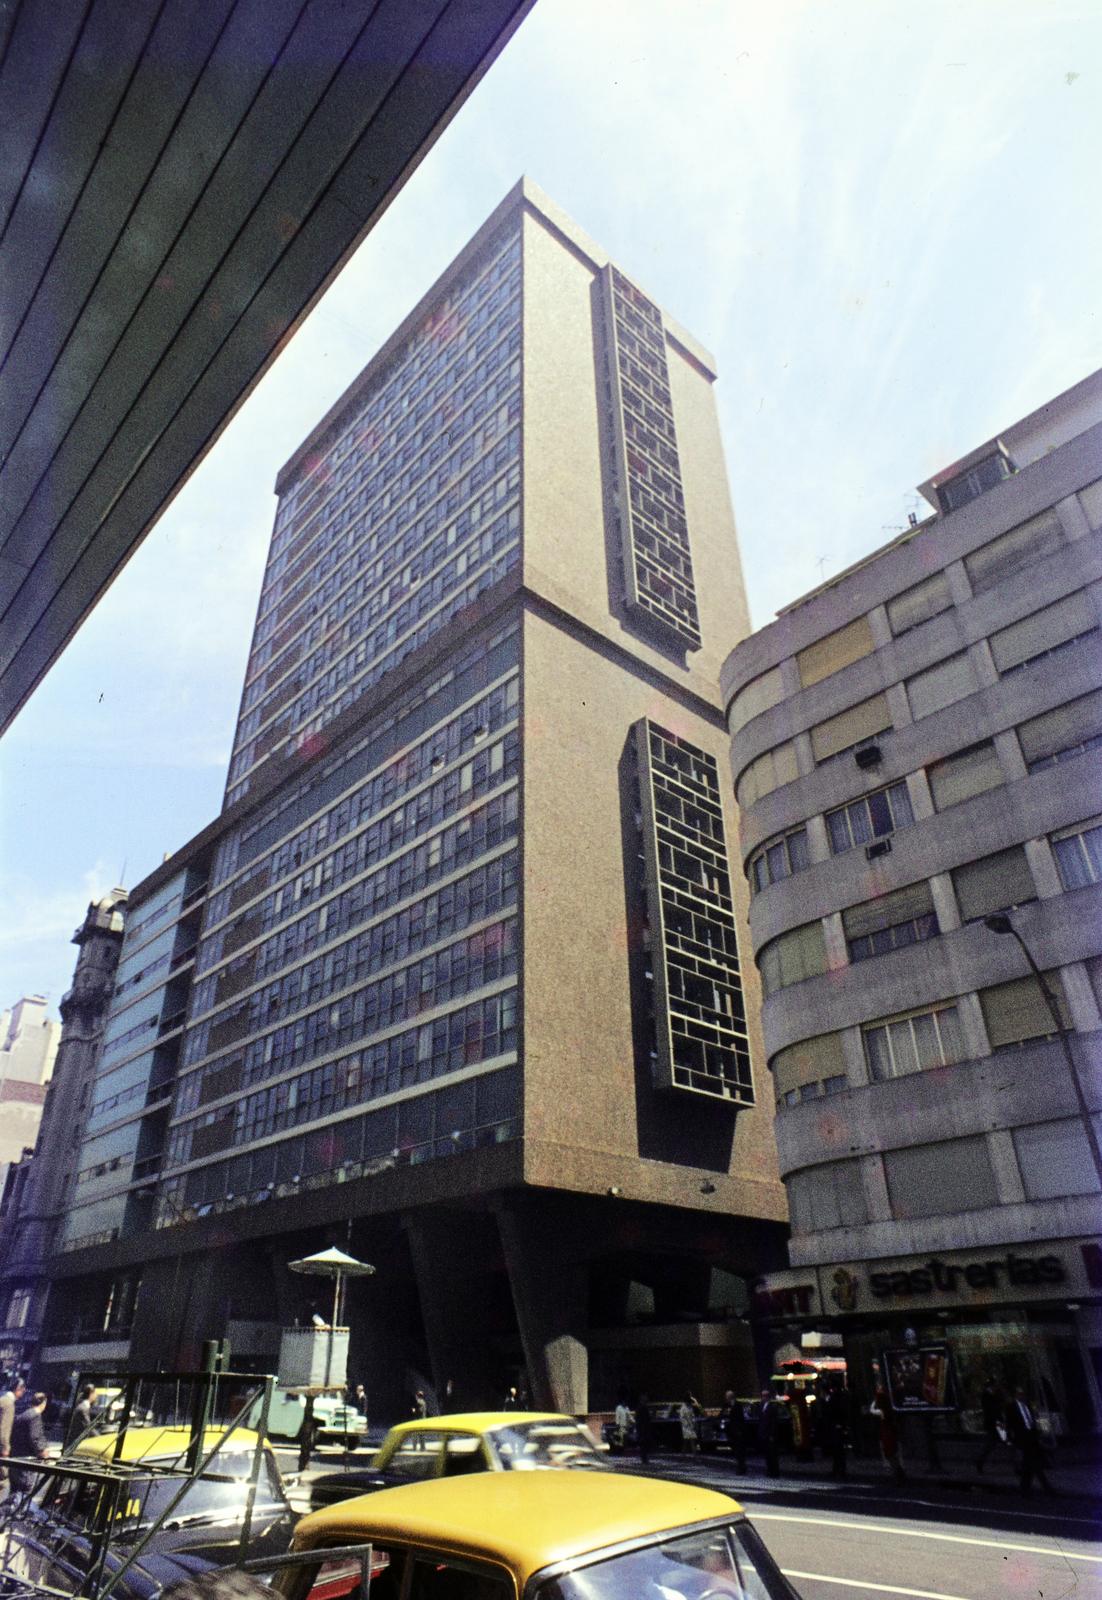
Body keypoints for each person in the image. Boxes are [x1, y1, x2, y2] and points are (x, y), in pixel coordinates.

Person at [1004, 1387, 1052, 1494]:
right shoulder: (1011, 1407)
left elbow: (1034, 1419)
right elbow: (1009, 1423)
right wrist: (1009, 1438)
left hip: (1031, 1437)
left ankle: (1025, 1489)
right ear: (1016, 1395)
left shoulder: (1029, 1406)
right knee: (1034, 1463)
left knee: (1028, 1465)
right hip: (1022, 1438)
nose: (1022, 1396)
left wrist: (1041, 1431)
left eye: (1023, 1394)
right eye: (1019, 1394)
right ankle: (1046, 1487)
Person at [10, 1392, 49, 1494]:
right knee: (23, 1493)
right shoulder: (35, 1416)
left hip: (16, 1459)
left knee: (14, 1493)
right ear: (43, 1403)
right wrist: (42, 1451)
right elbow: (35, 1437)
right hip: (26, 1462)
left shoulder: (25, 1414)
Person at [869, 1382, 905, 1482]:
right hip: (891, 1430)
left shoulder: (882, 1411)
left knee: (889, 1453)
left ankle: (897, 1473)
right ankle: (899, 1472)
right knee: (894, 1453)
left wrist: (874, 1401)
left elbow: (872, 1410)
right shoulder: (890, 1409)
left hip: (886, 1431)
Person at [975, 1378, 1008, 1474]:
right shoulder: (987, 1396)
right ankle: (980, 1461)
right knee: (992, 1444)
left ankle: (980, 1461)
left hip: (997, 1422)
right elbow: (990, 1410)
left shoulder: (995, 1394)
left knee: (1001, 1442)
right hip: (994, 1423)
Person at [821, 1383, 850, 1479]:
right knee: (836, 1449)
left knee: (838, 1449)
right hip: (834, 1426)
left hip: (836, 1426)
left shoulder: (834, 1399)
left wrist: (839, 1424)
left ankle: (840, 1470)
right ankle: (838, 1469)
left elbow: (837, 1412)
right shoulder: (830, 1399)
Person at [719, 1389, 747, 1473]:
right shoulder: (726, 1405)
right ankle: (739, 1466)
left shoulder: (738, 1405)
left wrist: (740, 1430)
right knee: (735, 1450)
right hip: (731, 1431)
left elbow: (740, 1418)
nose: (726, 1398)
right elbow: (722, 1414)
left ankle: (741, 1467)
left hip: (738, 1430)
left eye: (727, 1397)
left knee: (740, 1450)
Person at [757, 1389, 781, 1477]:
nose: (763, 1398)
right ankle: (769, 1470)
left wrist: (772, 1434)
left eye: (764, 1396)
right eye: (762, 1396)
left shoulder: (772, 1407)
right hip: (764, 1433)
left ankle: (774, 1471)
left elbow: (773, 1422)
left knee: (772, 1454)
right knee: (767, 1454)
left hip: (769, 1434)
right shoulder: (762, 1406)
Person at [635, 1393, 654, 1466]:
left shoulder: (640, 1408)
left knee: (644, 1444)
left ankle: (644, 1458)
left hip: (642, 1429)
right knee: (644, 1444)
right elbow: (645, 1419)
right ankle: (644, 1459)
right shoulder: (642, 1408)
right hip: (643, 1429)